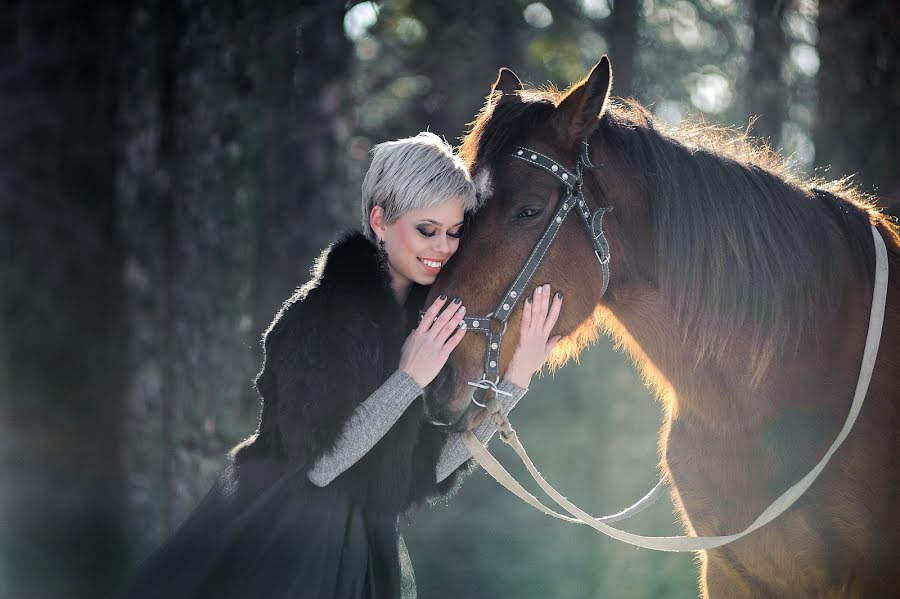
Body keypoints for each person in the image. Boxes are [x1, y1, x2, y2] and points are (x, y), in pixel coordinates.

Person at [112, 132, 562, 599]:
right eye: (427, 230)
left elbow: (426, 473)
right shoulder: (320, 315)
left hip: (368, 554)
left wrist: (513, 382)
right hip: (283, 545)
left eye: (454, 232)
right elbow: (321, 466)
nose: (444, 248)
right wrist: (408, 379)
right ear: (380, 220)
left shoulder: (428, 328)